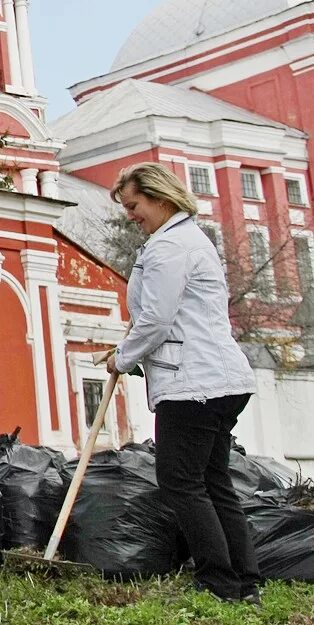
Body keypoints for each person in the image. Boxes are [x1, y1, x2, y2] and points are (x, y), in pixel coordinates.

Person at [105, 162, 261, 604]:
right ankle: (243, 582)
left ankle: (220, 582)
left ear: (161, 198)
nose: (131, 215)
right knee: (213, 481)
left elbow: (156, 319)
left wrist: (123, 358)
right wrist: (131, 348)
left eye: (134, 205)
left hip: (194, 385)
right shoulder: (191, 240)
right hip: (221, 379)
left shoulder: (168, 247)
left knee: (180, 482)